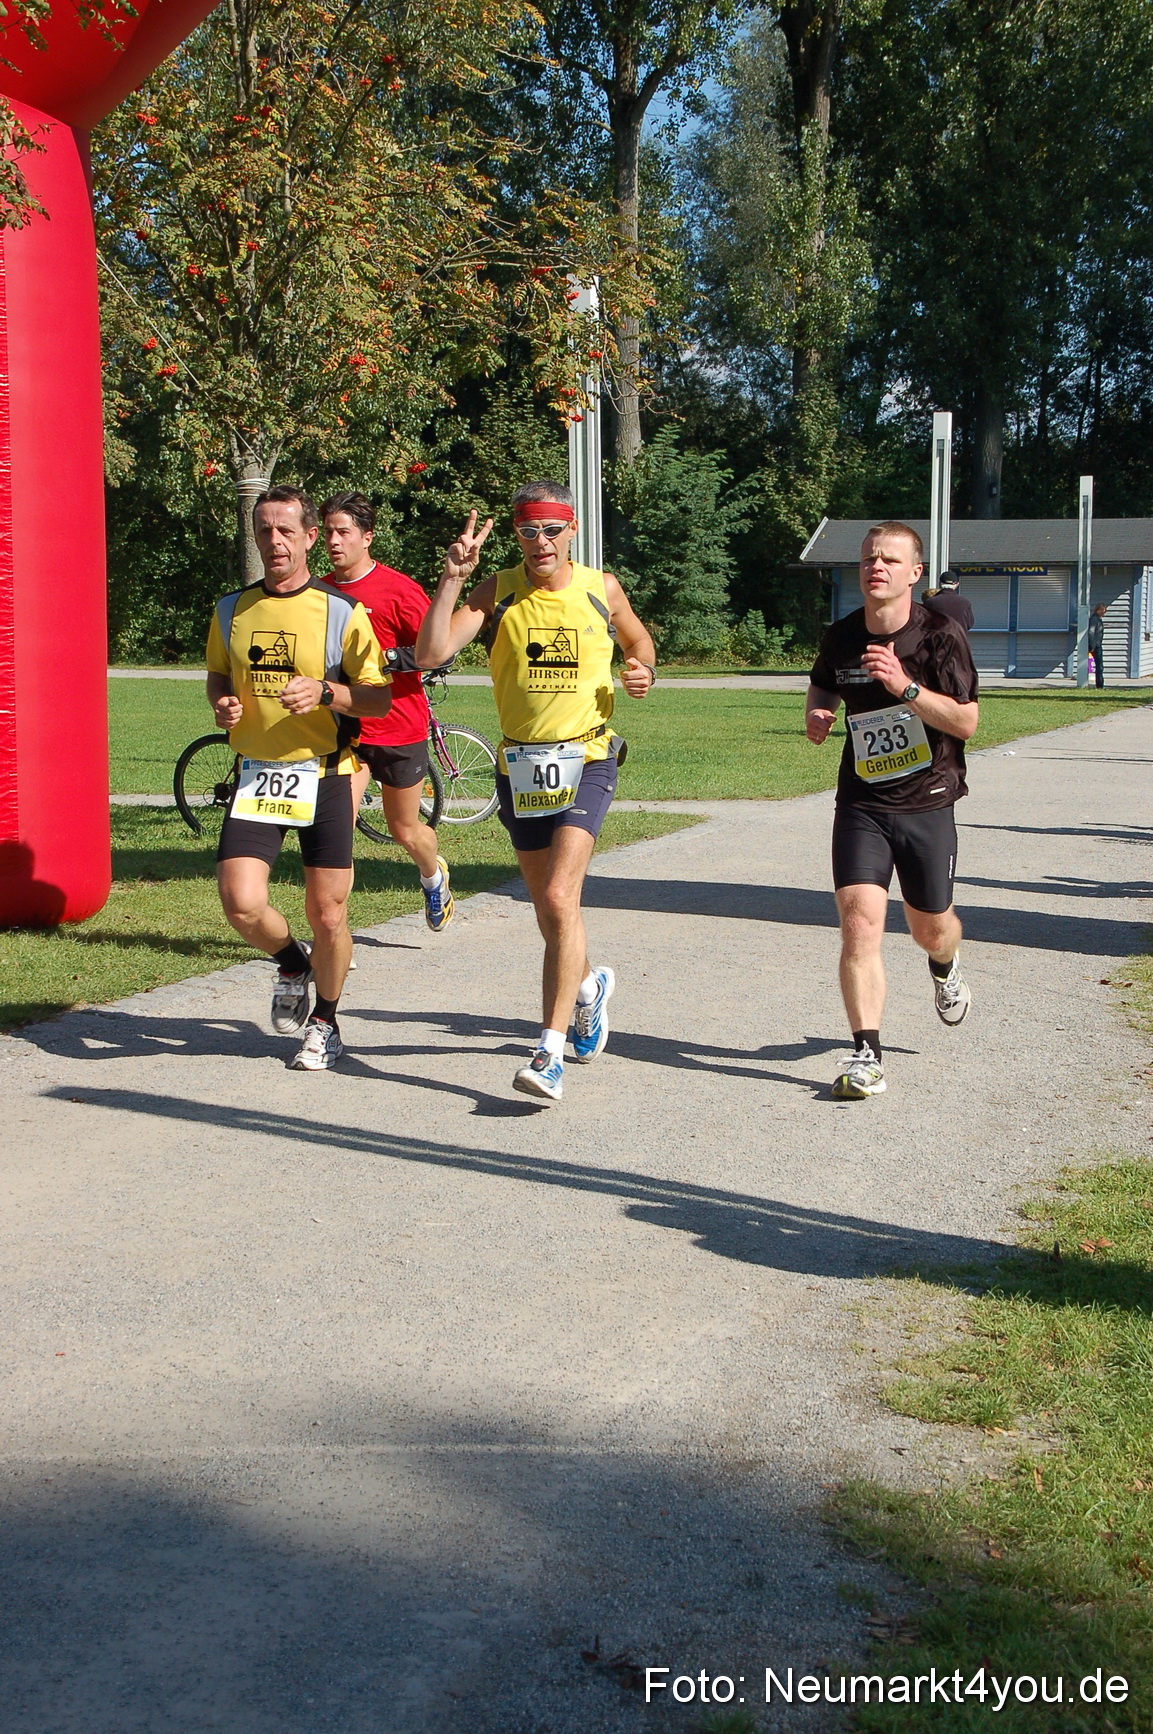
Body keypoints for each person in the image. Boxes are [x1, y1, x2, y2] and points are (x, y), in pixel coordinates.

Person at [415, 481, 657, 1102]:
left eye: (551, 530)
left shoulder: (599, 588)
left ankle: (547, 1053)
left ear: (570, 530)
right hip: (520, 767)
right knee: (552, 914)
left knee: (558, 892)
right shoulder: (496, 590)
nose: (539, 542)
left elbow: (638, 639)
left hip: (589, 756)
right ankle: (587, 991)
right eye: (528, 531)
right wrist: (451, 579)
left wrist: (642, 670)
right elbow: (430, 652)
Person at [206, 484, 393, 1070]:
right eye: (265, 530)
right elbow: (218, 674)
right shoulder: (231, 609)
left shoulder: (342, 612)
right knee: (241, 902)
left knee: (329, 912)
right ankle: (292, 961)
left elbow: (379, 699)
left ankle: (327, 1021)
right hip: (259, 774)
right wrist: (224, 705)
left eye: (287, 530)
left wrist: (327, 692)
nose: (275, 542)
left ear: (311, 537)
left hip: (326, 776)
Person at [806, 520, 980, 1099]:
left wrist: (905, 688)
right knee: (858, 926)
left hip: (927, 800)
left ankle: (945, 965)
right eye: (867, 559)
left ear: (915, 572)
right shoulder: (841, 636)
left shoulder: (940, 635)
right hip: (862, 800)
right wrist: (818, 713)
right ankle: (866, 1052)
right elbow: (823, 685)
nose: (875, 567)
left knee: (930, 928)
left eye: (888, 559)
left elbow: (967, 721)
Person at [321, 491, 452, 932]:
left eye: (343, 532)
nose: (334, 541)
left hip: (398, 725)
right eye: (327, 533)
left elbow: (438, 650)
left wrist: (388, 660)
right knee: (337, 833)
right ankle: (335, 936)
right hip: (344, 731)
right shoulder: (318, 592)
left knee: (405, 830)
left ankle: (434, 878)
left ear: (367, 537)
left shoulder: (399, 589)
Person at [1088, 602, 1107, 688]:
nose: (1103, 611)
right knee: (1099, 666)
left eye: (1104, 610)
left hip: (1097, 644)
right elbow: (1091, 632)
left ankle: (1100, 684)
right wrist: (1092, 646)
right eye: (1101, 610)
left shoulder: (1098, 619)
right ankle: (1099, 685)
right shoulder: (1094, 619)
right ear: (1097, 610)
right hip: (1096, 645)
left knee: (1100, 666)